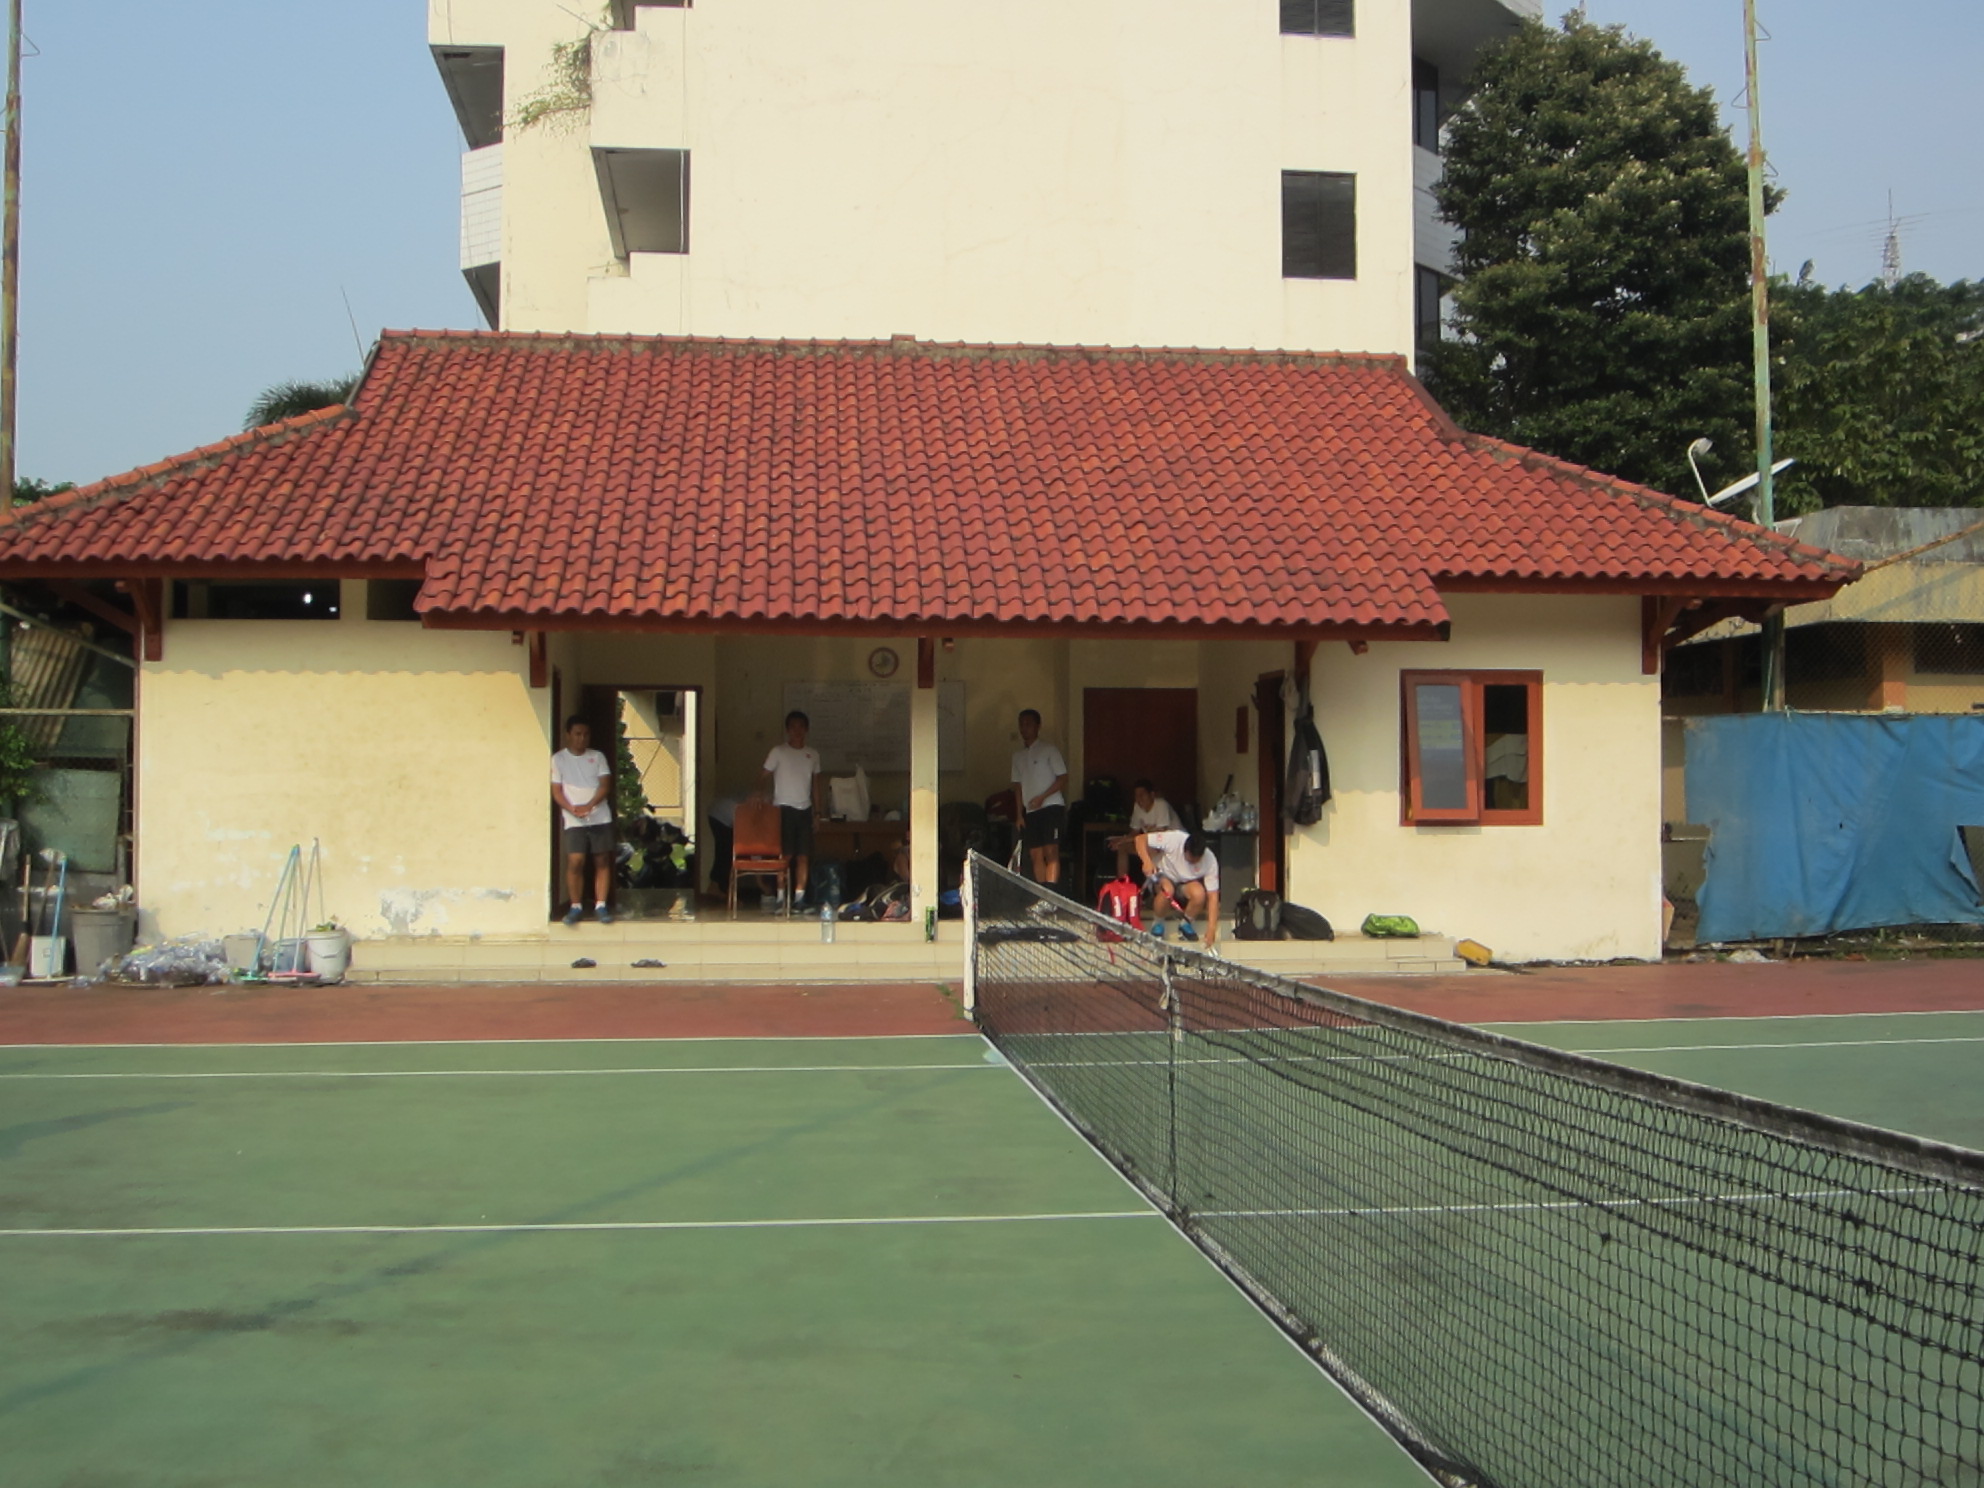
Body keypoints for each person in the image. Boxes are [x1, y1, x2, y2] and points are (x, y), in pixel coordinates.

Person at [551, 716, 614, 926]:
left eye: (586, 734)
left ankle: (601, 905)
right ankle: (575, 905)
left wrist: (590, 805)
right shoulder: (559, 759)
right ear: (568, 735)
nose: (582, 738)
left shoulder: (597, 757)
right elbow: (557, 790)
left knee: (601, 859)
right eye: (577, 734)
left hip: (599, 816)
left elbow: (605, 785)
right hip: (574, 819)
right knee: (575, 861)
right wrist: (571, 809)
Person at [758, 710, 823, 910]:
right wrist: (759, 795)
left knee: (803, 856)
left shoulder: (813, 754)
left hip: (805, 809)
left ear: (806, 729)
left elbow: (816, 785)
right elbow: (763, 776)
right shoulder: (778, 752)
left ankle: (799, 898)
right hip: (783, 809)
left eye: (801, 726)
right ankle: (780, 897)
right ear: (787, 730)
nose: (797, 731)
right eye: (793, 727)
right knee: (785, 856)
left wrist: (818, 813)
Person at [1133, 828, 1221, 949]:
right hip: (1163, 877)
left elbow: (1213, 896)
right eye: (1191, 858)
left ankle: (1186, 924)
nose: (1193, 862)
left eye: (1197, 860)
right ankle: (1158, 923)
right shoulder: (1174, 839)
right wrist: (1147, 861)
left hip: (1185, 885)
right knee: (1168, 889)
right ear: (1185, 850)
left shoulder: (1210, 860)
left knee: (1199, 893)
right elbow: (1140, 839)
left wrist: (1211, 929)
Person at [1010, 708, 1069, 889]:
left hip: (1051, 807)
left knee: (1051, 851)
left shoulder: (1049, 750)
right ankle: (1041, 893)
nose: (1024, 728)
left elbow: (1063, 778)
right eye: (1022, 724)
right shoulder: (1018, 756)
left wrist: (1043, 797)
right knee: (1035, 853)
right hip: (1031, 811)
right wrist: (1019, 814)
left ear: (1038, 726)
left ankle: (1051, 894)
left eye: (1028, 724)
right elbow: (1017, 786)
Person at [1111, 779, 1181, 874]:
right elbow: (1135, 831)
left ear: (1151, 795)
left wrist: (1126, 839)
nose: (1139, 798)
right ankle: (1123, 881)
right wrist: (1122, 841)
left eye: (1142, 795)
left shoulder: (1161, 804)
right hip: (1151, 843)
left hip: (1173, 844)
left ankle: (1154, 880)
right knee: (1123, 847)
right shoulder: (1137, 806)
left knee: (1149, 848)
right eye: (1136, 795)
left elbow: (1160, 834)